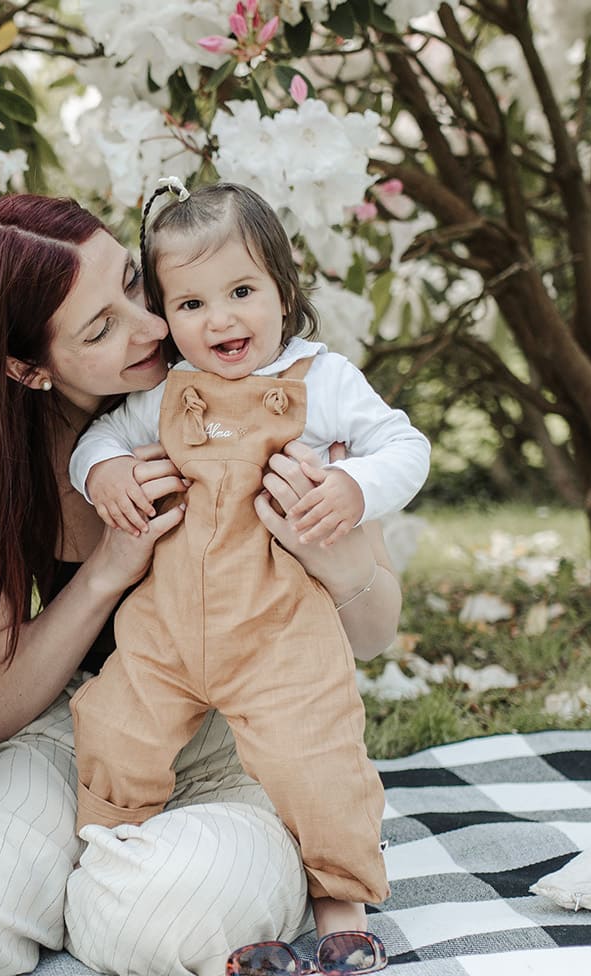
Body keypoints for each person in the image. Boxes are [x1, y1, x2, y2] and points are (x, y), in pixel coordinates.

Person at [0, 193, 405, 976]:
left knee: (153, 922)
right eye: (99, 329)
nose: (151, 326)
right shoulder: (4, 462)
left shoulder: (273, 383)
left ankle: (227, 861)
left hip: (243, 741)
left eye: (134, 284)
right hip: (86, 736)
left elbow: (376, 631)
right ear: (28, 368)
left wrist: (324, 533)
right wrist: (112, 566)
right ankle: (18, 860)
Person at [66, 180, 430, 937]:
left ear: (283, 289)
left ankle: (340, 893)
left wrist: (353, 488)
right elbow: (95, 442)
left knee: (315, 759)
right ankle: (100, 844)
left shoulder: (321, 380)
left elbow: (406, 445)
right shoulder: (168, 392)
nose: (221, 319)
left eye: (241, 291)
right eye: (192, 305)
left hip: (277, 633)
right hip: (164, 630)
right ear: (165, 317)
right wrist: (106, 473)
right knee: (113, 727)